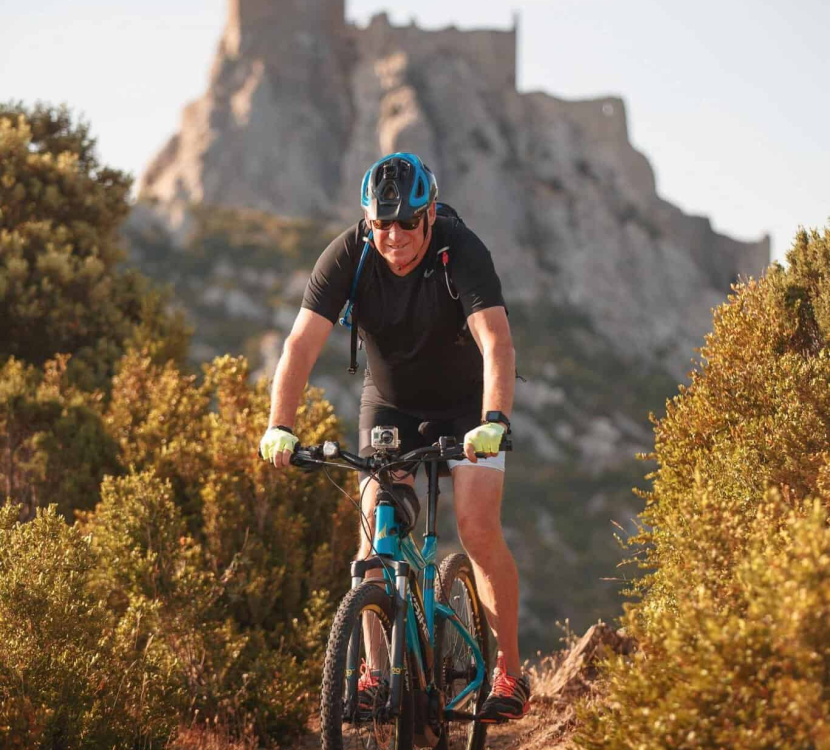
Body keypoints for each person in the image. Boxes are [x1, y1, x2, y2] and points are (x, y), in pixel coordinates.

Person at [259, 152, 530, 722]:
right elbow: (300, 346)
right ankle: (374, 671)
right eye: (383, 223)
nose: (396, 235)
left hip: (466, 409)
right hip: (390, 404)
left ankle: (508, 673)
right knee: (373, 541)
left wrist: (494, 421)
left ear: (430, 214)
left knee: (477, 530)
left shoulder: (461, 250)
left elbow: (496, 342)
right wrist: (279, 425)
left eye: (409, 222)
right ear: (368, 220)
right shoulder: (348, 255)